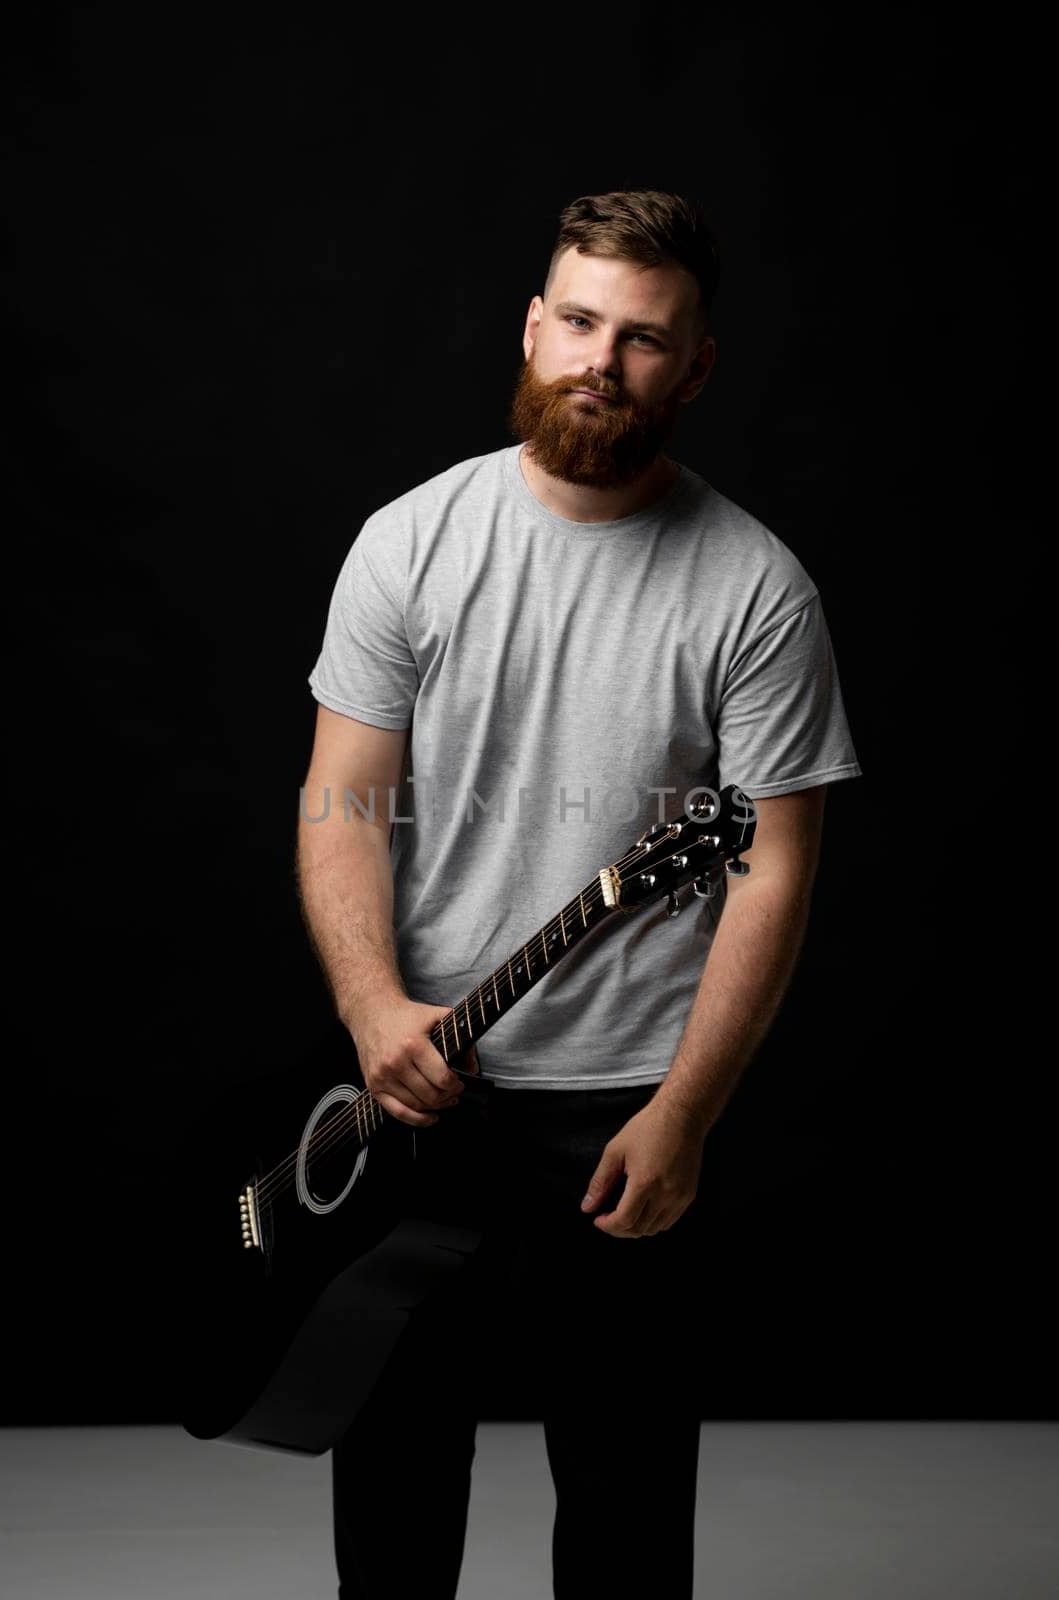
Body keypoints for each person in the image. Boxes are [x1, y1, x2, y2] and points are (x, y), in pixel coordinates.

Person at [296, 188, 862, 1599]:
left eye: (647, 339)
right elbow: (340, 805)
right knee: (394, 1490)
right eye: (582, 323)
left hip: (627, 1109)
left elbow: (773, 872)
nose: (604, 363)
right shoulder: (411, 542)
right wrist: (374, 1011)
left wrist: (685, 1115)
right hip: (416, 1086)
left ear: (698, 366)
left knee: (621, 1506)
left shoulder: (756, 592)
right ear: (536, 327)